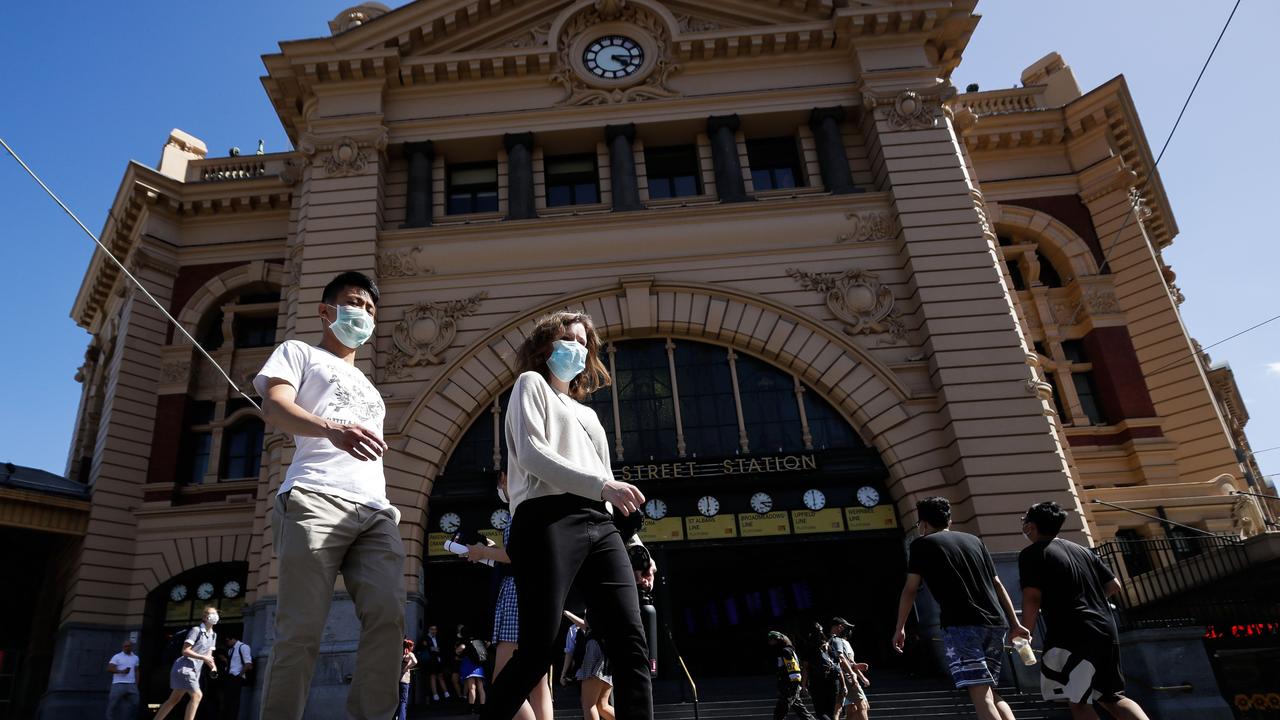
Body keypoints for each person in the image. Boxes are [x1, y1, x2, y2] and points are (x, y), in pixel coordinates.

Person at [479, 311, 653, 720]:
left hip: (601, 522)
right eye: (567, 338)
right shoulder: (530, 384)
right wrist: (602, 487)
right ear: (545, 346)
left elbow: (607, 483)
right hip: (545, 519)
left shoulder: (589, 415)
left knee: (631, 642)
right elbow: (534, 454)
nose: (576, 347)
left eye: (583, 342)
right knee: (539, 648)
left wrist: (637, 546)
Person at [253, 271, 406, 720]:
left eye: (370, 309)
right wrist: (331, 431)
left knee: (389, 617)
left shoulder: (372, 390)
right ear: (327, 311)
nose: (362, 314)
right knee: (300, 629)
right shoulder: (298, 352)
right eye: (354, 303)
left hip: (376, 512)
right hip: (314, 498)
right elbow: (275, 406)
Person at [893, 497, 1029, 720]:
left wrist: (900, 627)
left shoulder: (922, 544)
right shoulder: (975, 541)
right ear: (950, 520)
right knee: (990, 691)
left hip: (961, 625)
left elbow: (910, 589)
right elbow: (997, 584)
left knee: (979, 693)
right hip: (995, 624)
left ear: (923, 523)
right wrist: (1015, 623)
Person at [1017, 502, 1151, 720]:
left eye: (1024, 521)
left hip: (1071, 633)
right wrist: (1091, 601)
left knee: (1078, 700)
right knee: (1111, 696)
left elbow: (1032, 597)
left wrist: (1025, 632)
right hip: (1105, 627)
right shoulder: (1082, 551)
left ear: (1031, 526)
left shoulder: (1032, 554)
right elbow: (1114, 584)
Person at [465, 472, 554, 720]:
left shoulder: (519, 513)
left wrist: (482, 551)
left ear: (506, 479)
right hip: (539, 595)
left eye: (499, 483)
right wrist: (490, 551)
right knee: (537, 681)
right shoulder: (538, 509)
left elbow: (517, 556)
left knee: (503, 681)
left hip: (517, 596)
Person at [154, 607, 219, 720]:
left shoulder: (213, 635)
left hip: (194, 671)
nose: (215, 616)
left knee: (173, 700)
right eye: (211, 613)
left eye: (216, 613)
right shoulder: (196, 630)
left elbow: (209, 656)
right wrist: (203, 657)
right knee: (197, 696)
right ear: (204, 617)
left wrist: (213, 667)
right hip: (184, 668)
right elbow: (185, 651)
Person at [564, 611, 613, 720]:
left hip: (595, 653)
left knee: (588, 704)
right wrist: (567, 614)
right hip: (608, 656)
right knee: (602, 706)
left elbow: (588, 625)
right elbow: (588, 627)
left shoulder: (595, 605)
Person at [768, 631, 817, 720]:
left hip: (789, 687)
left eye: (771, 640)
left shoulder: (785, 651)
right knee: (802, 712)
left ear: (777, 640)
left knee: (780, 713)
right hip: (789, 687)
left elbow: (793, 669)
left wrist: (794, 686)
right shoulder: (786, 650)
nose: (770, 643)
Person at [827, 618, 870, 720]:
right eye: (842, 626)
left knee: (849, 710)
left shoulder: (828, 640)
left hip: (838, 677)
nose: (844, 629)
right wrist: (854, 674)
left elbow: (845, 661)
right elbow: (843, 659)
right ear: (836, 626)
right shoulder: (837, 641)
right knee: (863, 706)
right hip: (845, 677)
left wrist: (856, 668)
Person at [801, 623, 839, 720]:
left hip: (816, 683)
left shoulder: (808, 648)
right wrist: (842, 684)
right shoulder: (828, 645)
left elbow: (805, 668)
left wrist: (804, 685)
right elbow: (837, 664)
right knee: (830, 712)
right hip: (832, 681)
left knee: (821, 712)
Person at [105, 639, 140, 720]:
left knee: (135, 704)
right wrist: (121, 671)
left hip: (132, 685)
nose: (125, 648)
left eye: (128, 646)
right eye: (124, 646)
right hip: (118, 684)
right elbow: (109, 668)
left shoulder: (135, 657)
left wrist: (136, 684)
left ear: (131, 647)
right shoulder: (117, 656)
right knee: (112, 705)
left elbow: (136, 670)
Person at [221, 634, 253, 720]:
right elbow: (233, 664)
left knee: (234, 702)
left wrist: (239, 675)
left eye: (227, 641)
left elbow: (248, 664)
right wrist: (225, 661)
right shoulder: (230, 650)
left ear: (232, 639)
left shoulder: (243, 647)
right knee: (227, 701)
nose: (227, 643)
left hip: (236, 677)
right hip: (229, 677)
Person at [421, 625, 450, 703]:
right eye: (432, 629)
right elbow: (422, 648)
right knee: (433, 676)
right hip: (430, 661)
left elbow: (442, 648)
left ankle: (446, 693)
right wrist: (432, 648)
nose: (434, 631)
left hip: (438, 660)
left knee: (440, 676)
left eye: (435, 629)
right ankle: (435, 695)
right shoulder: (425, 638)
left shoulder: (438, 638)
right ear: (429, 630)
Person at [456, 640, 486, 713]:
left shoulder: (464, 643)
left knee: (472, 688)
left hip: (469, 666)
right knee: (481, 688)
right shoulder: (479, 641)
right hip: (478, 666)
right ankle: (483, 708)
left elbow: (457, 652)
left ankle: (471, 708)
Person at [399, 639, 418, 720]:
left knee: (398, 701)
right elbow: (415, 662)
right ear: (410, 646)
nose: (413, 647)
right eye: (412, 646)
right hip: (405, 680)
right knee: (403, 701)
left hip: (397, 680)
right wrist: (406, 668)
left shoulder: (400, 653)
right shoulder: (409, 654)